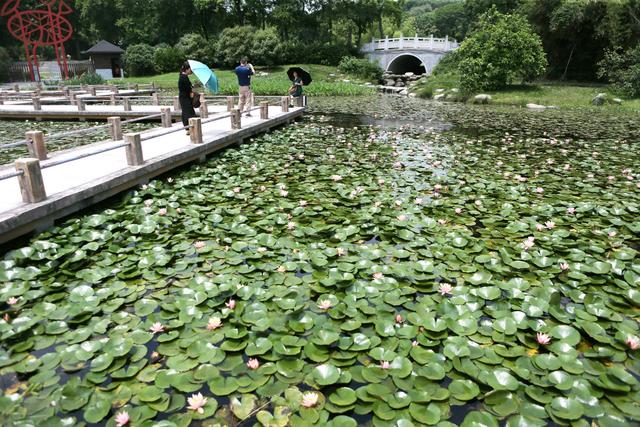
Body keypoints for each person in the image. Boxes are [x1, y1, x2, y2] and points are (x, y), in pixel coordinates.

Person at [178, 61, 197, 135]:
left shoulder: (183, 76)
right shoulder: (184, 77)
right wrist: (191, 92)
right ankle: (190, 129)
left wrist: (193, 86)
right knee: (189, 113)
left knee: (187, 112)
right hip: (185, 98)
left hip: (184, 97)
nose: (191, 71)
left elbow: (187, 87)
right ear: (187, 69)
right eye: (190, 69)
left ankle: (189, 128)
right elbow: (187, 89)